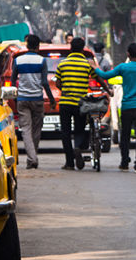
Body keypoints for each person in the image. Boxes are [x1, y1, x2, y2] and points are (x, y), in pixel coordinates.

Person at [93, 42, 136, 173]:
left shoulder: (123, 68)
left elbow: (105, 76)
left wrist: (94, 68)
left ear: (128, 54)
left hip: (126, 107)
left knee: (125, 136)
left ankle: (124, 162)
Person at [55, 37, 111, 170]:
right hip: (81, 103)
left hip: (65, 103)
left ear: (71, 48)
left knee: (65, 132)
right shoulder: (86, 65)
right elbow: (99, 78)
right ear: (82, 49)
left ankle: (69, 163)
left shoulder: (62, 64)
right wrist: (107, 89)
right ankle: (78, 147)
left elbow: (58, 83)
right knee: (79, 130)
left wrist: (66, 89)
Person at [11, 34, 56, 169]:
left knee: (26, 130)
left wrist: (15, 97)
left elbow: (13, 81)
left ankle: (32, 159)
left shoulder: (18, 61)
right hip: (37, 99)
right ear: (38, 46)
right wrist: (52, 100)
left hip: (22, 99)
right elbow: (44, 83)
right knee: (37, 130)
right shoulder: (41, 61)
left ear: (27, 45)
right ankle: (33, 157)